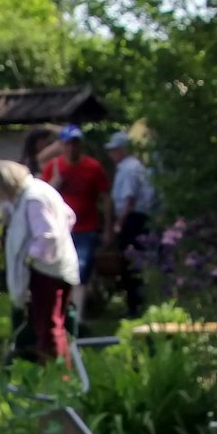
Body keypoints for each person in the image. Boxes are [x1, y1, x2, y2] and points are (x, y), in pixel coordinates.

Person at [0, 160, 80, 367]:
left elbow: (47, 235)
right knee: (51, 324)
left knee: (49, 326)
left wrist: (29, 257)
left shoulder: (33, 198)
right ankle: (58, 372)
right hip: (57, 267)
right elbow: (68, 217)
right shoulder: (38, 191)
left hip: (45, 272)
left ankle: (58, 379)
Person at [41, 125, 109, 312]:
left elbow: (105, 198)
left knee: (80, 271)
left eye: (76, 143)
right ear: (62, 145)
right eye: (68, 144)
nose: (72, 148)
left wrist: (109, 228)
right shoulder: (53, 168)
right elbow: (41, 201)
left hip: (86, 228)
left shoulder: (93, 167)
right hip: (60, 230)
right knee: (59, 272)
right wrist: (54, 185)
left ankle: (77, 316)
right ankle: (62, 313)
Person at [106, 132, 157, 316]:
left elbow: (129, 199)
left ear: (122, 150)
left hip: (132, 219)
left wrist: (119, 223)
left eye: (114, 150)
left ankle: (135, 305)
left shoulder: (129, 168)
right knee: (132, 261)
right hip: (134, 217)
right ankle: (135, 303)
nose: (111, 154)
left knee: (131, 261)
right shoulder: (130, 167)